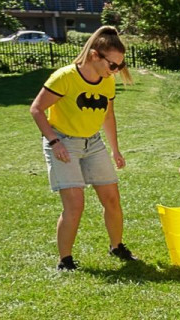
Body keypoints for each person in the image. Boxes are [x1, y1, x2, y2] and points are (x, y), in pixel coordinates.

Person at [29, 25, 137, 271]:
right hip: (63, 141)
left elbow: (108, 116)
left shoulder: (106, 82)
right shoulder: (65, 77)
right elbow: (36, 109)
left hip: (93, 142)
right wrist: (54, 142)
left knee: (111, 198)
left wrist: (115, 149)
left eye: (119, 66)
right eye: (113, 65)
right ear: (94, 56)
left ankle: (116, 246)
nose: (116, 71)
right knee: (75, 204)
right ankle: (65, 260)